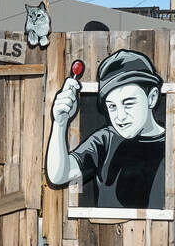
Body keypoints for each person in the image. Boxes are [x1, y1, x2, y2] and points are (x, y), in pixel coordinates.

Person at [45, 49, 166, 210]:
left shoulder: (173, 144)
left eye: (128, 103)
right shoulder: (105, 140)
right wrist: (60, 123)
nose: (120, 116)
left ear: (152, 98)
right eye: (112, 106)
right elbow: (59, 175)